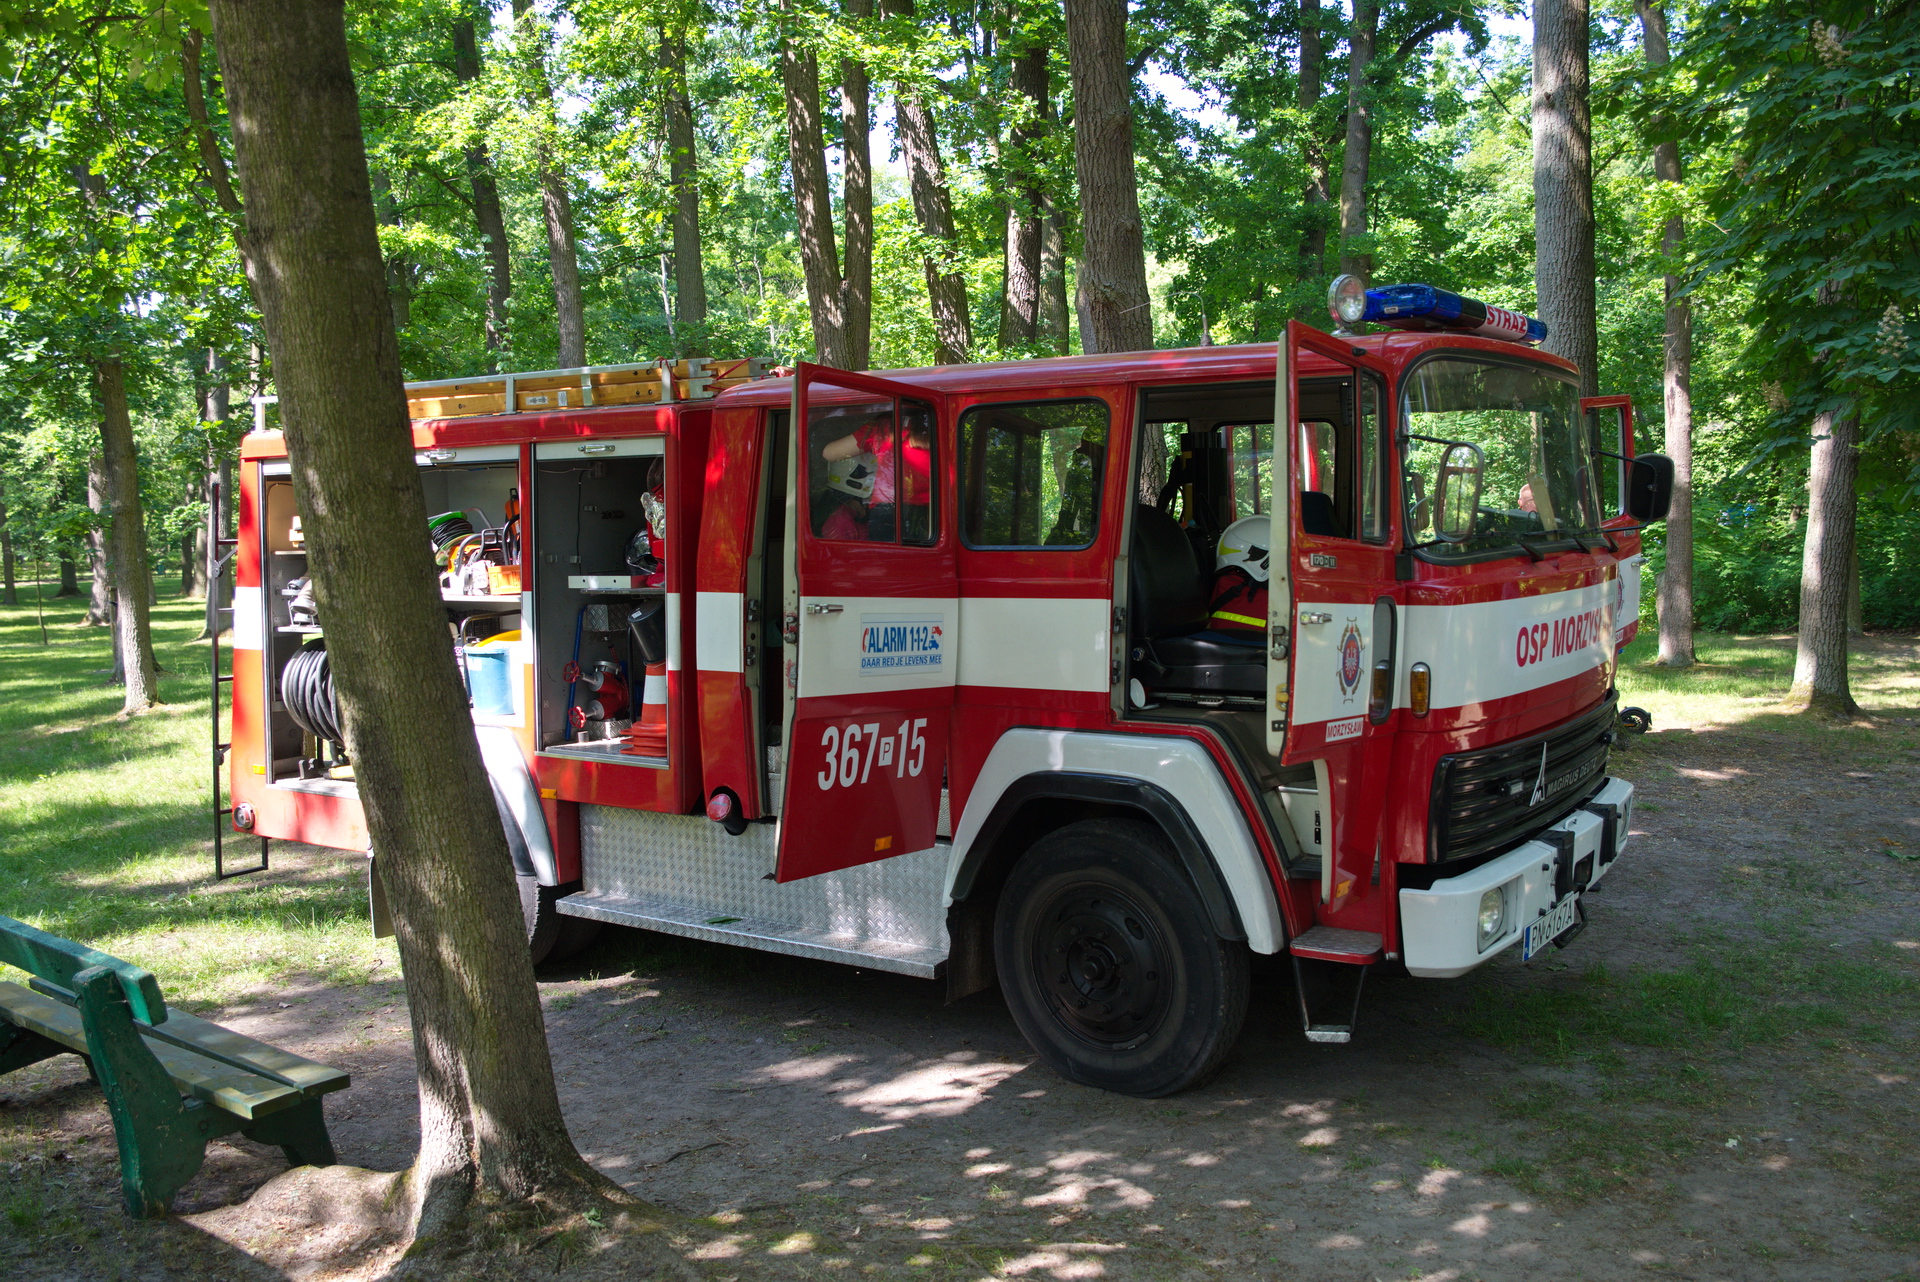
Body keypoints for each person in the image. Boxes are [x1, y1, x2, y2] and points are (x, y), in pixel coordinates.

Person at [822, 408, 932, 542]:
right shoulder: (937, 425)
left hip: (889, 510)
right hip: (935, 508)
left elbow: (829, 453)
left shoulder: (885, 427)